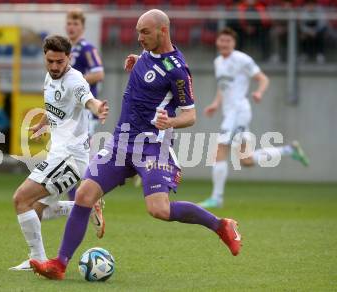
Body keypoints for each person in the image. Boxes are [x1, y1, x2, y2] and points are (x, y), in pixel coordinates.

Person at [30, 10, 242, 280]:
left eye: (144, 32)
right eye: (138, 31)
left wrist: (170, 122)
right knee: (83, 195)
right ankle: (58, 264)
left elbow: (190, 115)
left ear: (162, 32)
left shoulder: (177, 70)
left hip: (152, 146)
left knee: (159, 209)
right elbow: (149, 65)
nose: (138, 37)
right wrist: (138, 59)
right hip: (121, 142)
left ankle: (222, 226)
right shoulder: (146, 54)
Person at [10, 35, 109, 271]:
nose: (55, 67)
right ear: (45, 57)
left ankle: (39, 259)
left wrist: (98, 108)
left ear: (69, 58)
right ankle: (87, 205)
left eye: (60, 62)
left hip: (70, 159)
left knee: (21, 199)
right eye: (50, 61)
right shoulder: (50, 77)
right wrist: (43, 123)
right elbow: (54, 108)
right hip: (60, 154)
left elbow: (88, 100)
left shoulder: (76, 80)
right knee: (36, 208)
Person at [198, 28, 309, 209]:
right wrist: (215, 104)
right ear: (217, 42)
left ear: (234, 43)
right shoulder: (218, 61)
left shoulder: (242, 59)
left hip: (239, 111)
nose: (224, 44)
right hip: (229, 112)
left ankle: (216, 198)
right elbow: (223, 87)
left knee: (219, 150)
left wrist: (259, 92)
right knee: (246, 160)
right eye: (222, 41)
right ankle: (289, 150)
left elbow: (263, 78)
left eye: (228, 41)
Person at [65, 8, 105, 200]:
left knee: (76, 155)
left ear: (82, 27)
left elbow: (98, 73)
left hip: (86, 111)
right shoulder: (67, 49)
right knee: (70, 155)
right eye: (69, 23)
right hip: (71, 111)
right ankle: (80, 199)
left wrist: (75, 83)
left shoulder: (87, 49)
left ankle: (85, 199)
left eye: (76, 24)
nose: (71, 27)